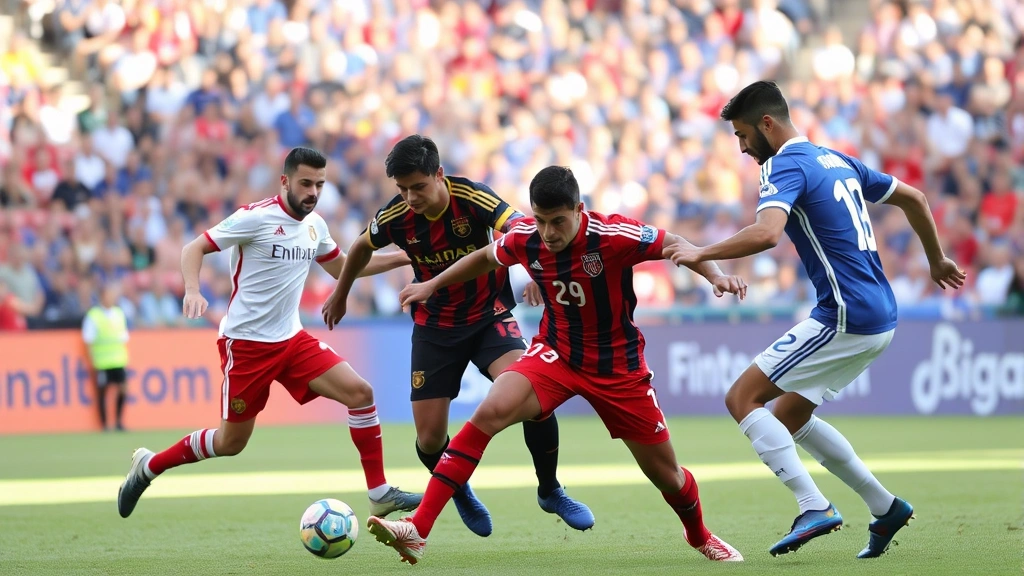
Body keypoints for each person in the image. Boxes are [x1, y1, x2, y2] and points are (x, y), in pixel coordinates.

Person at [364, 165, 747, 564]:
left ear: (579, 209)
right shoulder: (527, 237)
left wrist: (715, 275)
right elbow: (483, 258)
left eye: (558, 221)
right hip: (556, 354)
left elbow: (675, 243)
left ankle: (700, 535)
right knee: (490, 411)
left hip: (617, 367)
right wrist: (432, 283)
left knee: (666, 475)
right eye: (541, 221)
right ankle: (417, 529)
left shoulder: (613, 236)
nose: (548, 233)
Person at [668, 80, 966, 558]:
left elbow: (767, 234)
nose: (743, 147)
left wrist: (701, 251)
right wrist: (936, 260)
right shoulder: (836, 159)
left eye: (744, 135)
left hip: (845, 313)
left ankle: (814, 506)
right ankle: (884, 505)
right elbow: (915, 198)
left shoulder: (784, 163)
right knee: (788, 413)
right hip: (880, 313)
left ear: (768, 124)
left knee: (741, 397)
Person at [117, 147, 421, 520]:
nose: (313, 192)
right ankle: (149, 467)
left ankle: (379, 493)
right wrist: (193, 290)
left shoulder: (316, 226)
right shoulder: (255, 218)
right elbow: (193, 248)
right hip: (246, 345)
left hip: (291, 340)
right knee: (231, 443)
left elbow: (344, 267)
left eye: (320, 185)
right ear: (285, 181)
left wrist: (407, 255)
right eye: (306, 183)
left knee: (361, 393)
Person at [322, 135, 592, 537]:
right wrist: (340, 294)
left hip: (489, 317)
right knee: (429, 439)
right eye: (402, 189)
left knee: (534, 394)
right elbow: (361, 247)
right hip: (435, 327)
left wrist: (535, 271)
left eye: (418, 187)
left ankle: (550, 489)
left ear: (439, 175)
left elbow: (521, 227)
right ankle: (459, 486)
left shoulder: (472, 197)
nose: (410, 197)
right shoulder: (396, 215)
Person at [83, 282, 130, 431]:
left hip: (118, 359)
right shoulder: (94, 316)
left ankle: (118, 422)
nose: (112, 298)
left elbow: (123, 337)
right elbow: (88, 339)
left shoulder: (119, 313)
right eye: (109, 294)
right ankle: (104, 425)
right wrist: (92, 360)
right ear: (102, 296)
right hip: (102, 362)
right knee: (102, 392)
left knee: (123, 389)